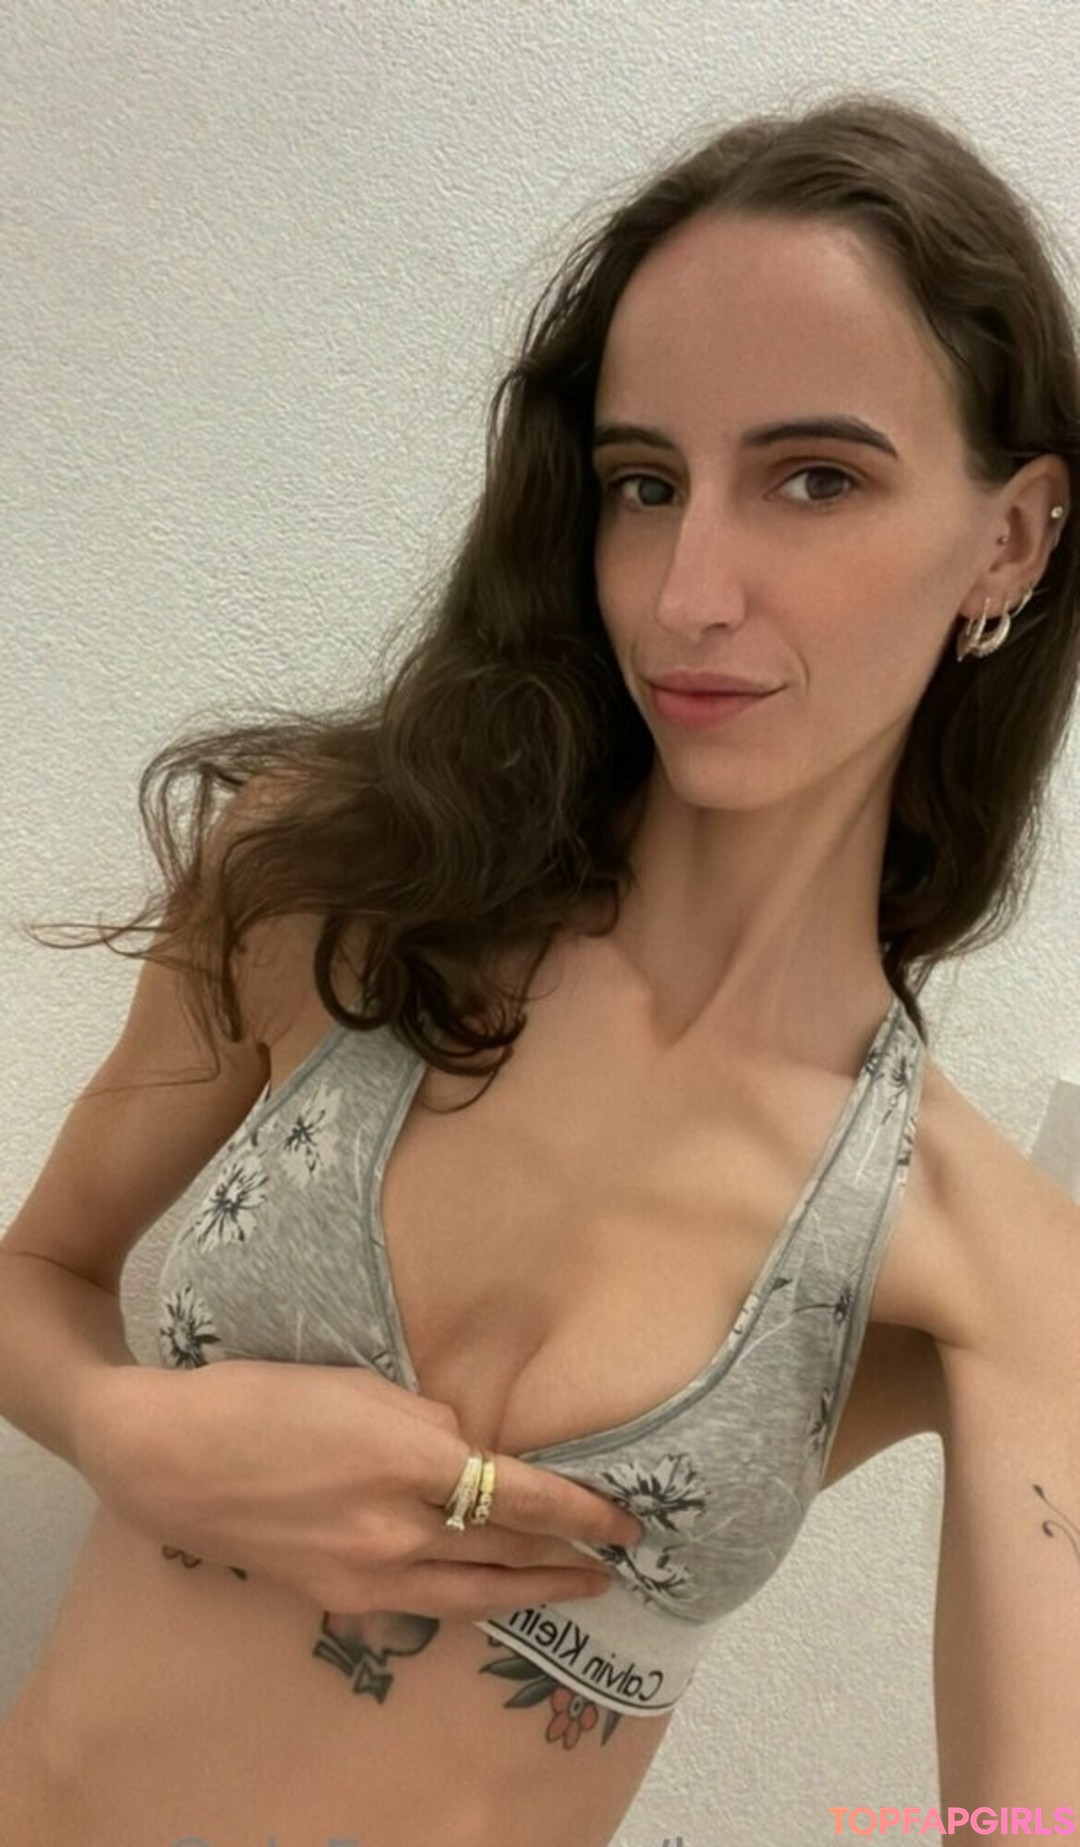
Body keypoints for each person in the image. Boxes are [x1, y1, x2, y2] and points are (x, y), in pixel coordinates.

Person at [1, 88, 1078, 1847]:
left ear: (1012, 538)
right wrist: (123, 1430)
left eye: (815, 478)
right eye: (645, 484)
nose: (687, 592)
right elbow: (33, 1274)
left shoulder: (988, 1261)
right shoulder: (330, 893)